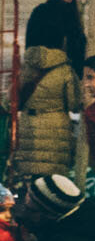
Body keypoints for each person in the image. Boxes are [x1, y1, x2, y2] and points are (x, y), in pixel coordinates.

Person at [13, 29, 82, 181]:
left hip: (28, 124)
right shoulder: (66, 69)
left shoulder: (25, 66)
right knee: (52, 180)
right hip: (56, 125)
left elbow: (11, 98)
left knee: (29, 176)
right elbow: (74, 104)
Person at [24, 0, 86, 69]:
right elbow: (34, 40)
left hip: (70, 65)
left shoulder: (73, 12)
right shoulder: (42, 11)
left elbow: (78, 40)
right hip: (47, 64)